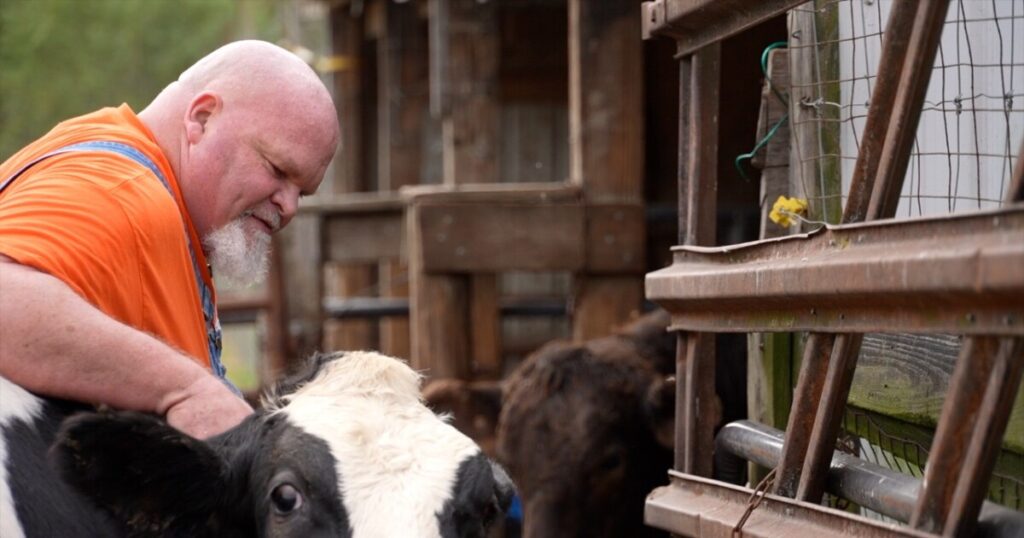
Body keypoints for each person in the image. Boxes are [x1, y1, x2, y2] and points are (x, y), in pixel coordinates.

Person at [0, 40, 340, 439]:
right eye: (278, 170)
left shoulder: (133, 175)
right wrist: (185, 389)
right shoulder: (122, 194)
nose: (289, 207)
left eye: (303, 192)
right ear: (201, 118)